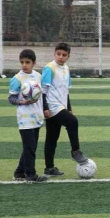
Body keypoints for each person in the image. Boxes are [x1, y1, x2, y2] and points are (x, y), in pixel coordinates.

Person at [42, 42, 89, 178]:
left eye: (64, 55)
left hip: (61, 106)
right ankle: (76, 152)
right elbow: (43, 91)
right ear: (54, 54)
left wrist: (68, 107)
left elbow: (65, 91)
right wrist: (45, 108)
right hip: (52, 106)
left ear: (68, 56)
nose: (61, 57)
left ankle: (49, 168)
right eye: (58, 54)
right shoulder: (49, 68)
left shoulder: (66, 69)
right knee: (73, 122)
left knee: (52, 138)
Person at [8, 49, 48, 183]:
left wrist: (45, 109)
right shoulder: (17, 79)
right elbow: (11, 98)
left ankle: (19, 172)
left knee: (30, 147)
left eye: (27, 62)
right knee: (30, 147)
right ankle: (31, 174)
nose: (24, 65)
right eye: (22, 62)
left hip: (37, 117)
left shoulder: (38, 76)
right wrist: (22, 101)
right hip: (25, 119)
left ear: (34, 63)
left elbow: (42, 95)